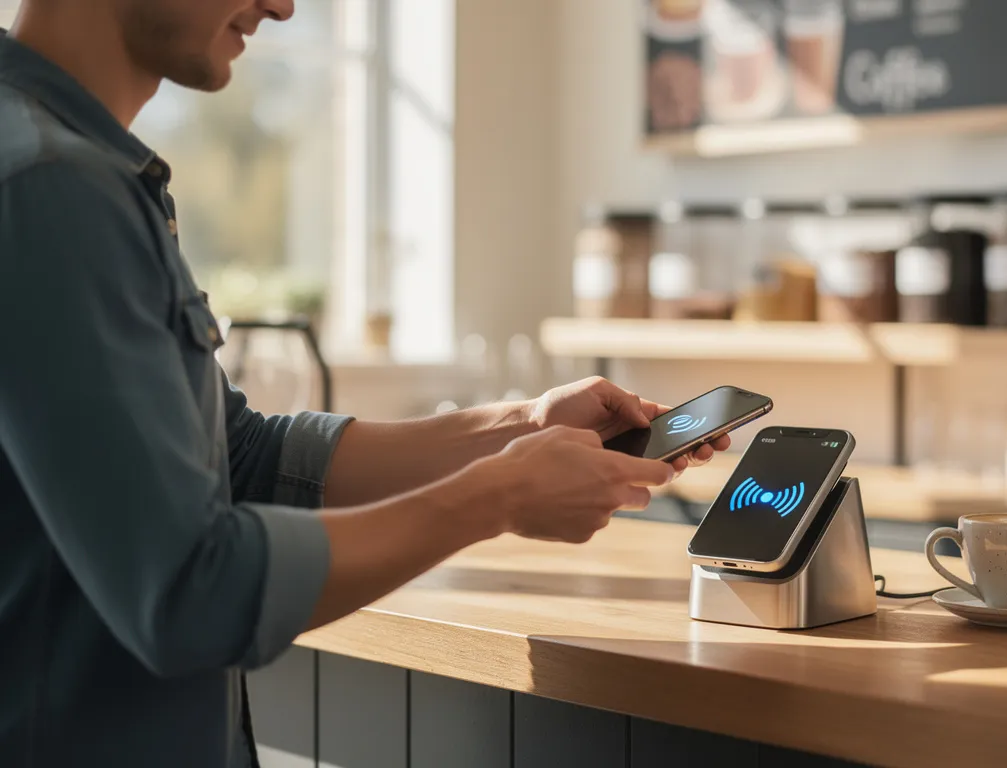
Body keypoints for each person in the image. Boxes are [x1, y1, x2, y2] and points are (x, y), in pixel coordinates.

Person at [0, 1, 730, 765]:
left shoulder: (77, 170)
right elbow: (188, 592)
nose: (283, 6)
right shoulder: (52, 187)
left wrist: (521, 427)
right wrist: (500, 495)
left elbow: (240, 457)